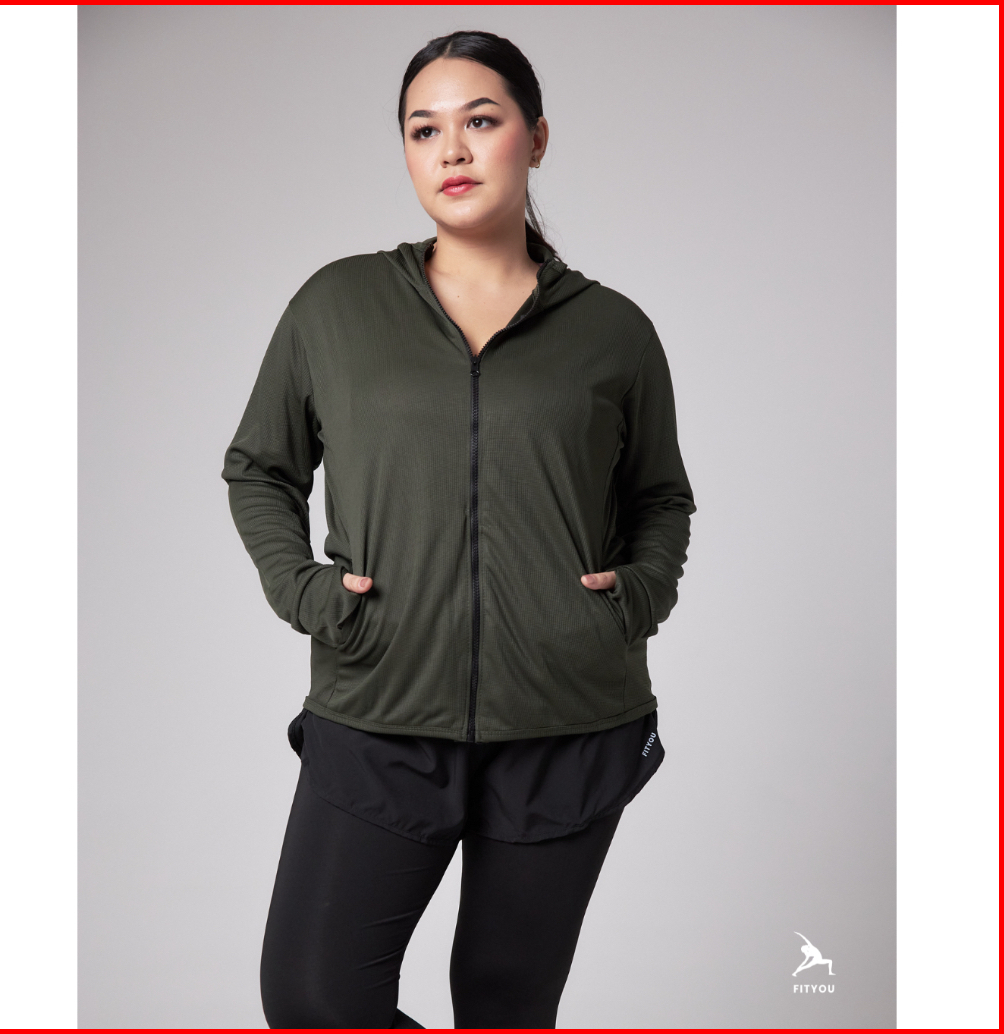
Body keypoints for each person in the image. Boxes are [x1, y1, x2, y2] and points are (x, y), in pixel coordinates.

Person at [221, 29, 695, 1030]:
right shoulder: (336, 307)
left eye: (480, 120)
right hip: (378, 702)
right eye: (423, 129)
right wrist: (303, 590)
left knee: (504, 1006)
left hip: (566, 718)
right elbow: (260, 468)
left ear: (536, 137)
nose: (452, 150)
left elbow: (661, 496)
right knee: (313, 997)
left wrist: (637, 596)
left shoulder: (612, 332)